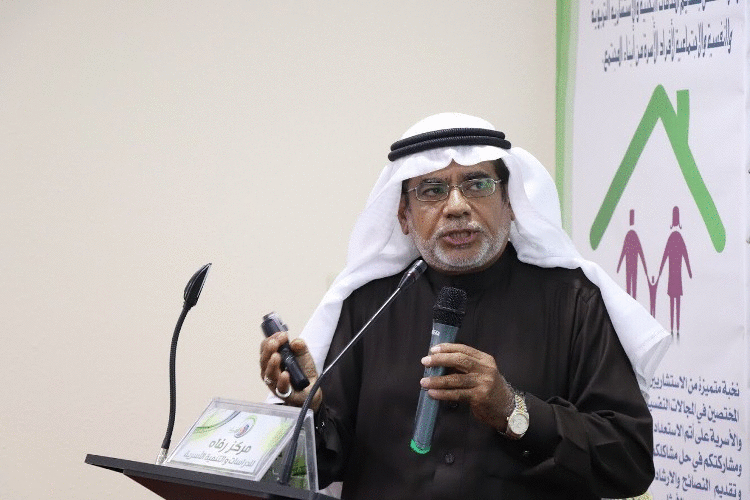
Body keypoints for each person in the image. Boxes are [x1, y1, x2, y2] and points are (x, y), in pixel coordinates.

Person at [259, 113, 670, 499]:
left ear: (510, 203)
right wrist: (309, 409)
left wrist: (515, 411)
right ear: (403, 215)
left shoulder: (574, 302)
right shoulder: (369, 304)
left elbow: (629, 461)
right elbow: (325, 464)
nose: (456, 206)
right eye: (432, 190)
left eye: (478, 185)